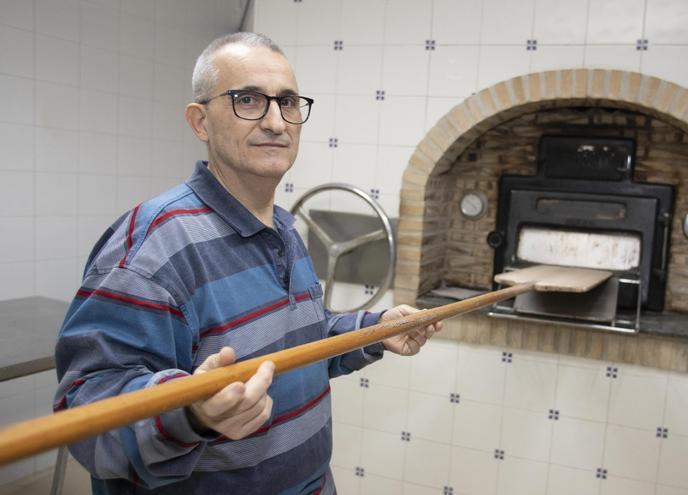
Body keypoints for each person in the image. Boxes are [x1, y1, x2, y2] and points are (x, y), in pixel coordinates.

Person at [54, 32, 440, 495]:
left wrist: (375, 329)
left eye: (289, 102)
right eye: (249, 100)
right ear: (200, 121)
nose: (277, 122)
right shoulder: (152, 247)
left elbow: (297, 346)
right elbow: (84, 419)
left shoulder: (282, 228)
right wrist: (192, 413)